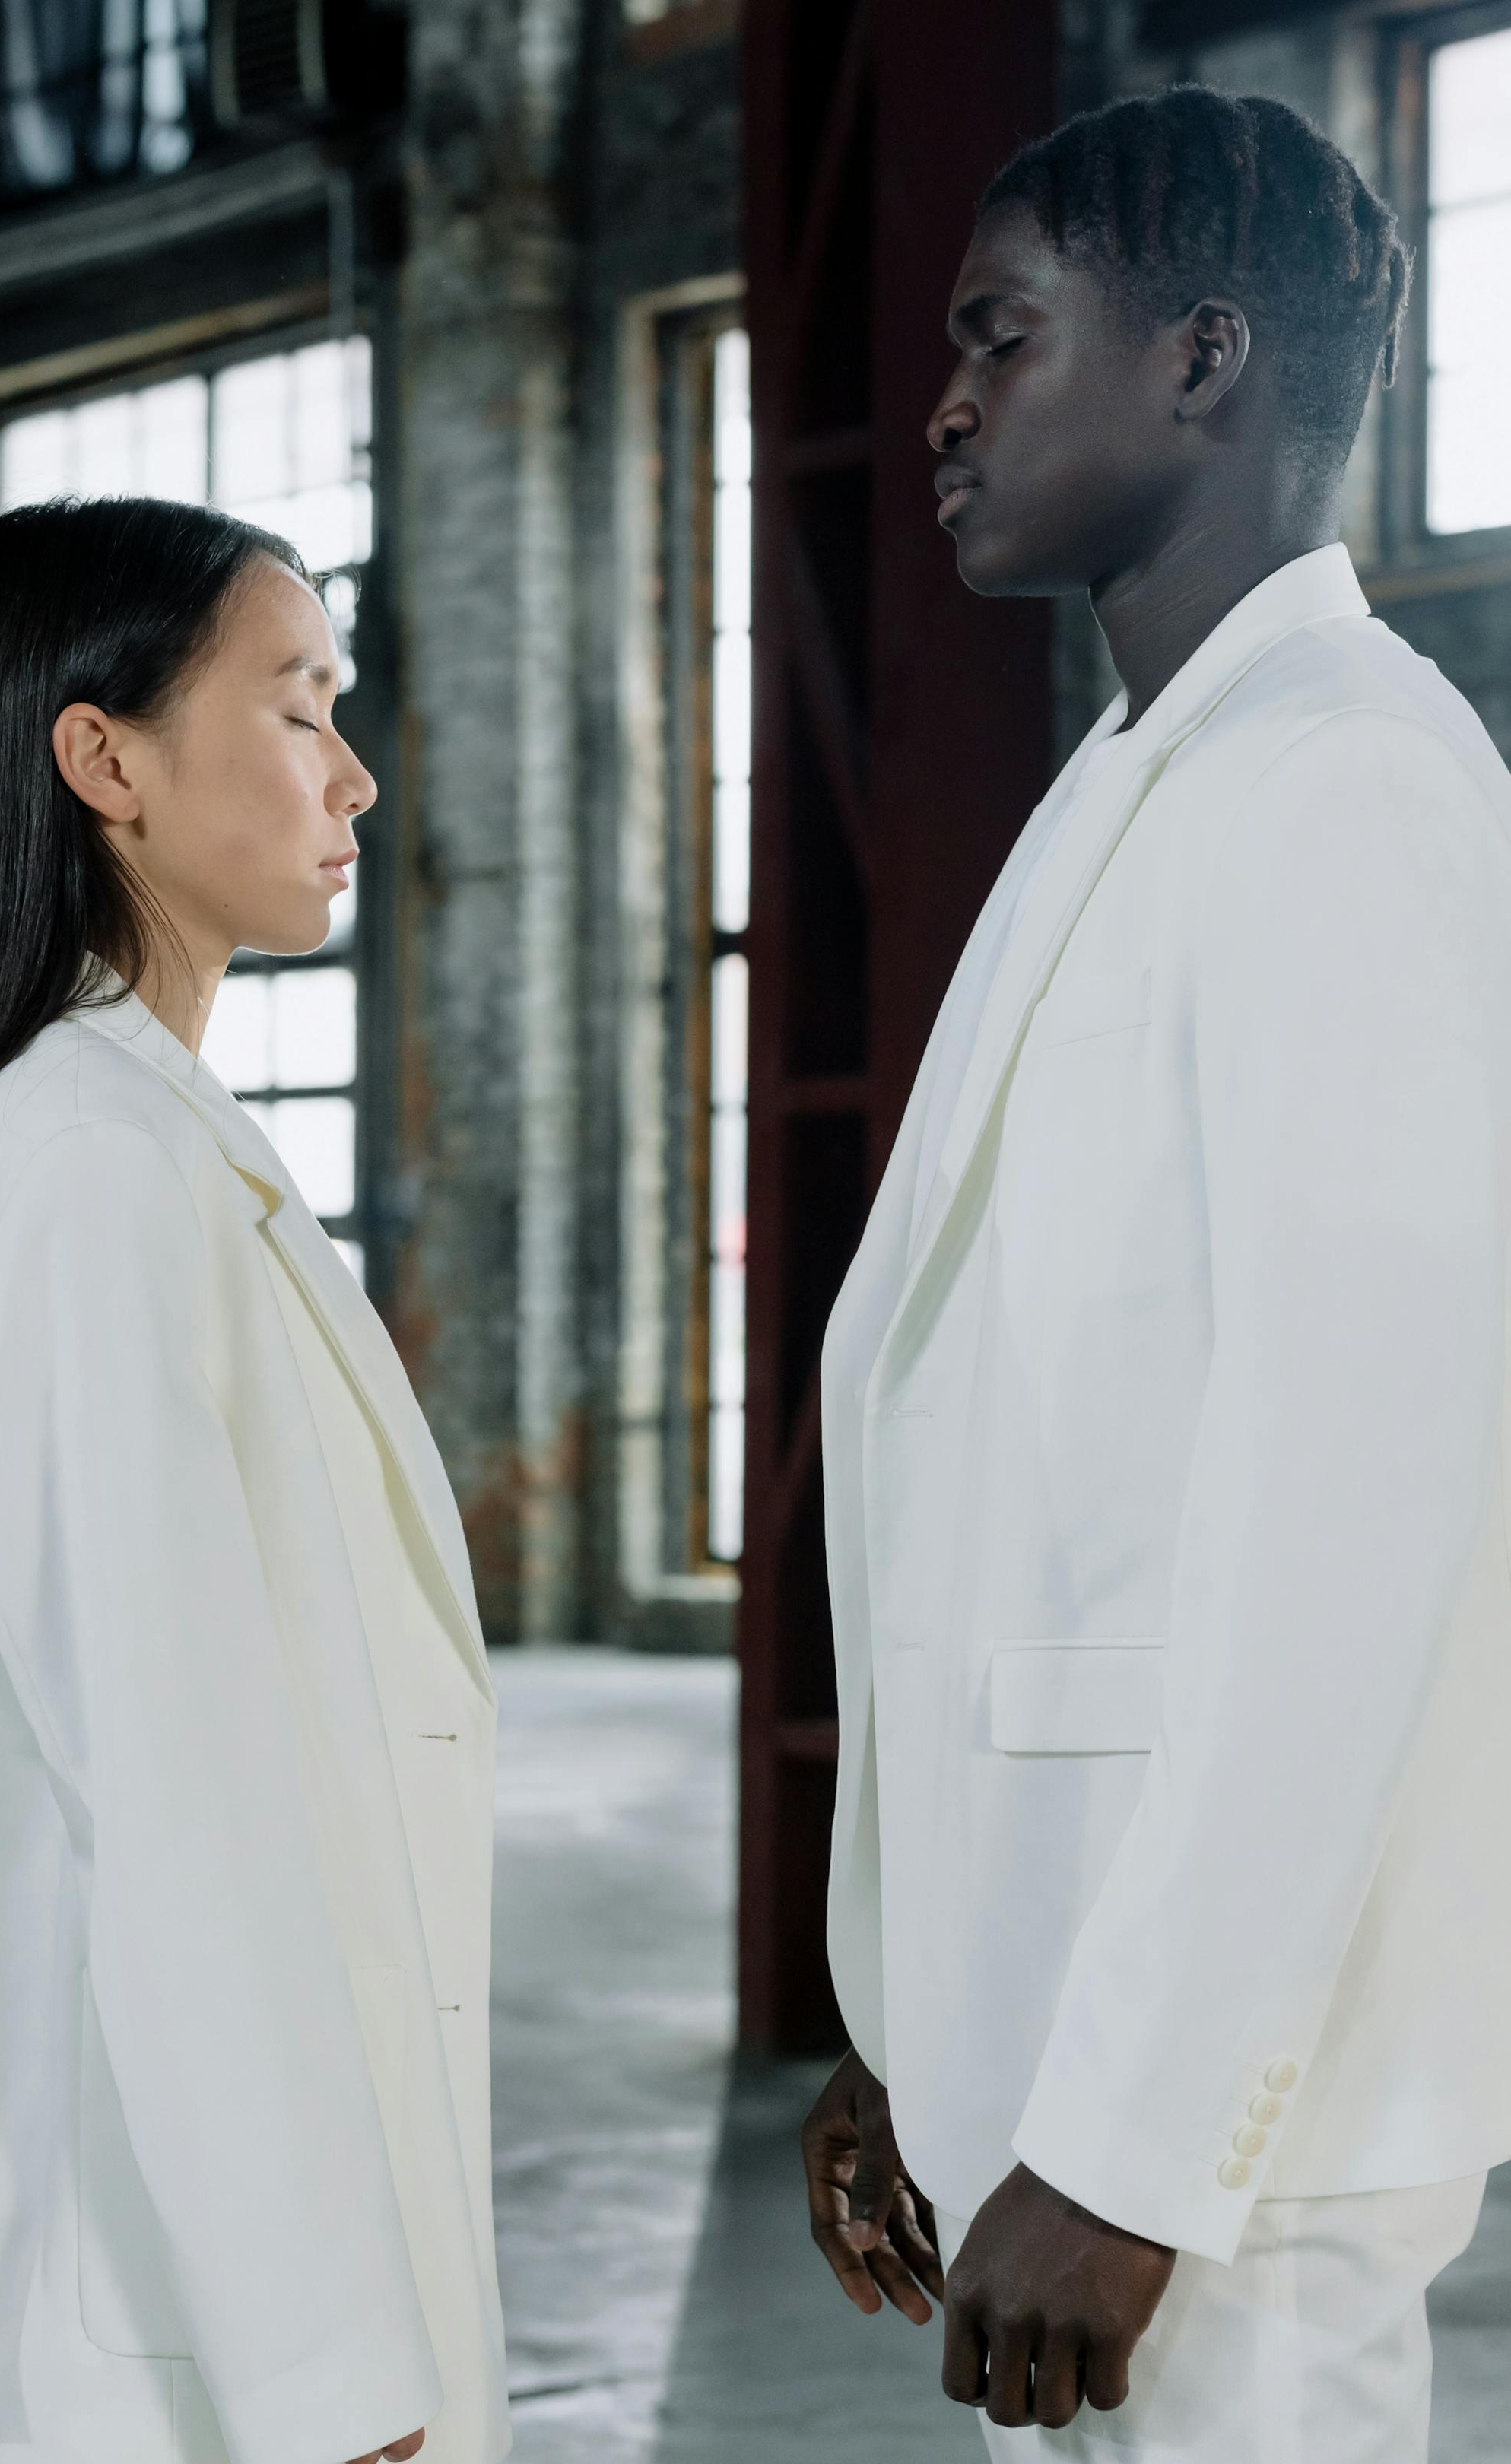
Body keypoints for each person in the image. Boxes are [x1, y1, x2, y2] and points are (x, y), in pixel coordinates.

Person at [801, 84, 1511, 2462]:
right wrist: (905, 2010)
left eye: (1005, 336)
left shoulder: (1352, 799)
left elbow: (1353, 1516)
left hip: (1235, 2131)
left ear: (1206, 360)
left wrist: (1136, 2136)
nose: (948, 400)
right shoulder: (1136, 780)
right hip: (1075, 2048)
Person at [0, 498, 508, 2464]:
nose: (357, 771)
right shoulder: (89, 1170)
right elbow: (164, 1785)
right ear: (103, 757)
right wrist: (328, 2375)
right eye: (299, 705)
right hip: (164, 2328)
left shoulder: (128, 1132)